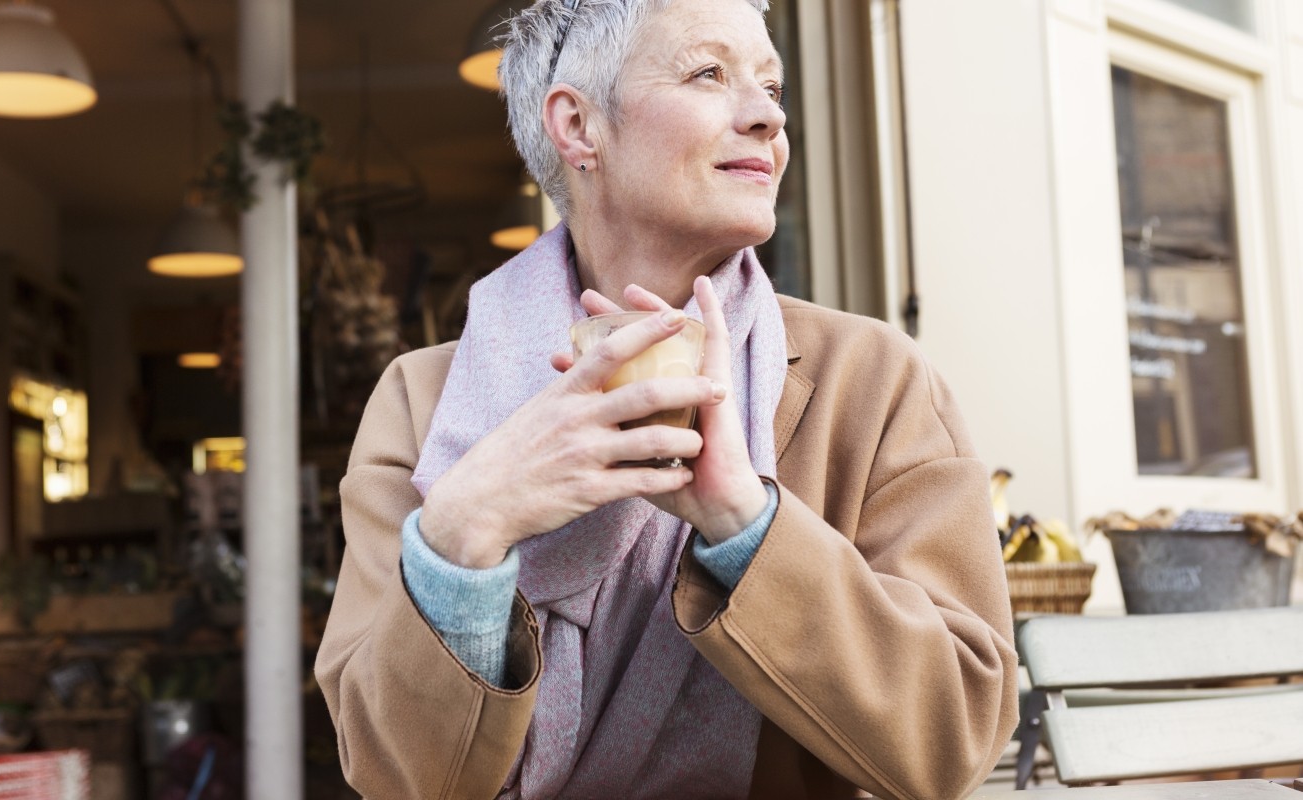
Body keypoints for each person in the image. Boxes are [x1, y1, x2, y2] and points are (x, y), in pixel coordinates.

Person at [315, 0, 1019, 796]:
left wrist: (745, 525)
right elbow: (390, 776)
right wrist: (463, 535)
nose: (766, 119)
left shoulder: (874, 380)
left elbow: (953, 740)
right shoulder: (424, 401)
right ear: (579, 127)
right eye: (709, 74)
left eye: (774, 87)